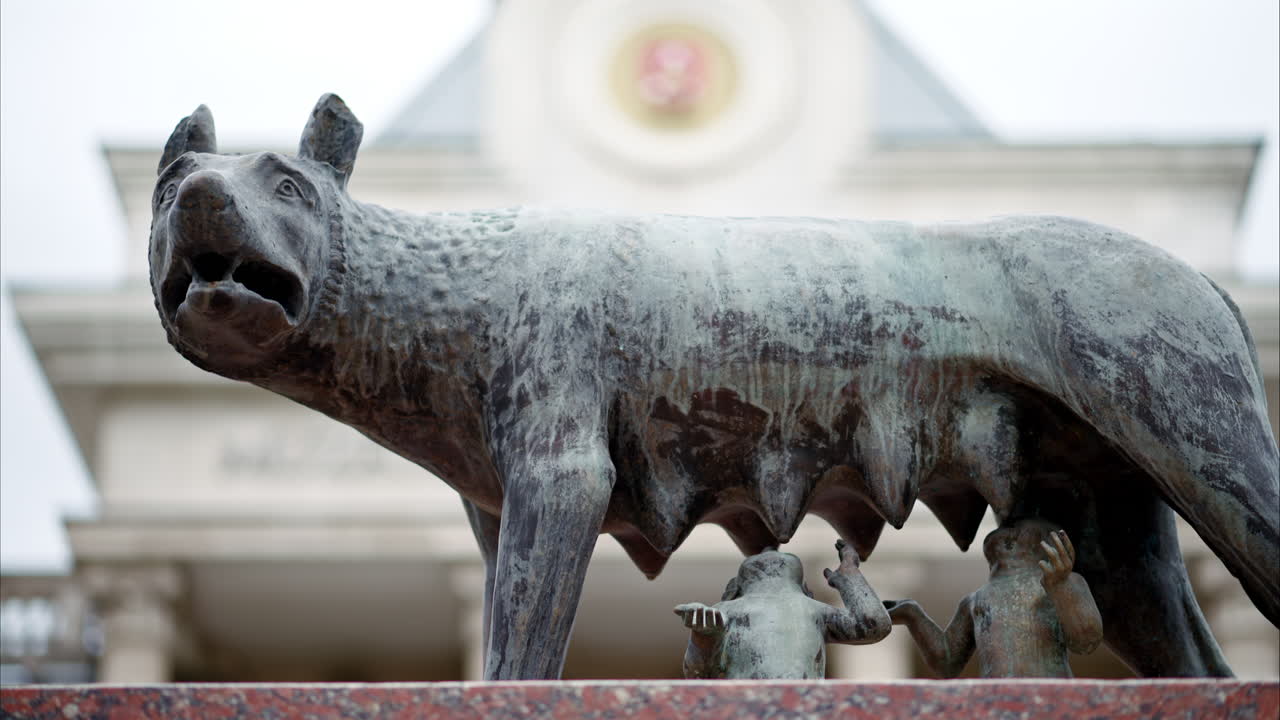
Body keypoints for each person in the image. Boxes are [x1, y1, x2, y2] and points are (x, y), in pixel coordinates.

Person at [885, 518, 1102, 677]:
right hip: (997, 701)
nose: (1008, 527)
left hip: (1050, 699)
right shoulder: (975, 599)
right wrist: (911, 614)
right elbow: (947, 661)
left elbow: (1086, 640)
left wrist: (1061, 588)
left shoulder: (1063, 581)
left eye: (1017, 529)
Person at [674, 540, 890, 679]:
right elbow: (699, 673)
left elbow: (875, 626)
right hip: (747, 707)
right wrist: (704, 637)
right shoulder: (726, 610)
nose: (770, 550)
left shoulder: (812, 609)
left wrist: (849, 578)